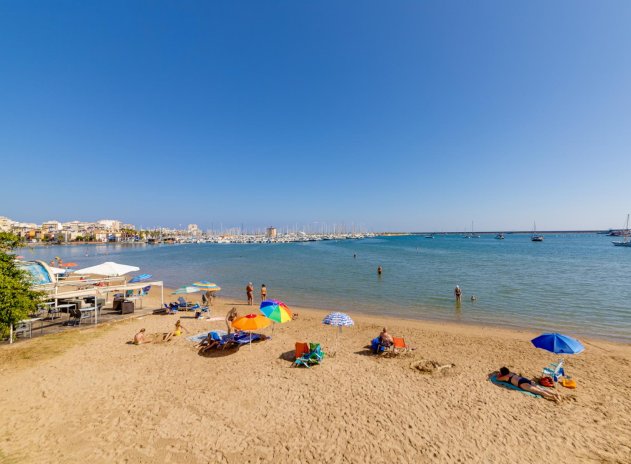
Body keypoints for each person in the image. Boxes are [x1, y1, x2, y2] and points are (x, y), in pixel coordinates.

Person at [495, 367, 561, 402]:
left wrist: (499, 375)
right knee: (541, 389)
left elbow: (498, 379)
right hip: (525, 380)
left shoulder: (506, 377)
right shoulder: (512, 373)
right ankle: (555, 394)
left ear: (503, 373)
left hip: (521, 384)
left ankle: (553, 397)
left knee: (539, 392)